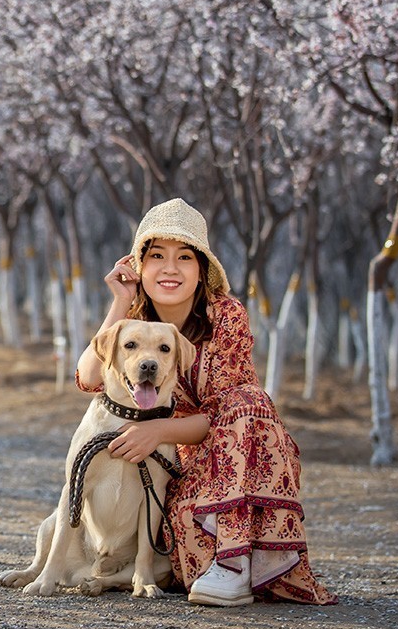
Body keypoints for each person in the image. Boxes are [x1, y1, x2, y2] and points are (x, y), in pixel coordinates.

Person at [75, 198, 337, 607]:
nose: (170, 268)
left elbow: (224, 413)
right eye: (157, 255)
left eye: (185, 257)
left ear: (201, 272)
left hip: (234, 452)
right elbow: (88, 378)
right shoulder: (135, 320)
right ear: (139, 267)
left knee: (250, 401)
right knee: (188, 560)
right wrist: (120, 301)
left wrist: (156, 428)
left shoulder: (225, 315)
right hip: (170, 468)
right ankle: (235, 564)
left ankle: (238, 564)